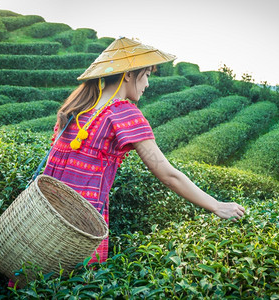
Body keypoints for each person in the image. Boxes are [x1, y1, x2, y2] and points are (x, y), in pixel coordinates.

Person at [43, 37, 245, 265]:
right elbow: (168, 175)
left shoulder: (79, 107)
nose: (148, 84)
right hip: (81, 224)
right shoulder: (123, 113)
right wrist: (216, 205)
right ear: (128, 74)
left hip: (44, 216)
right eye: (147, 74)